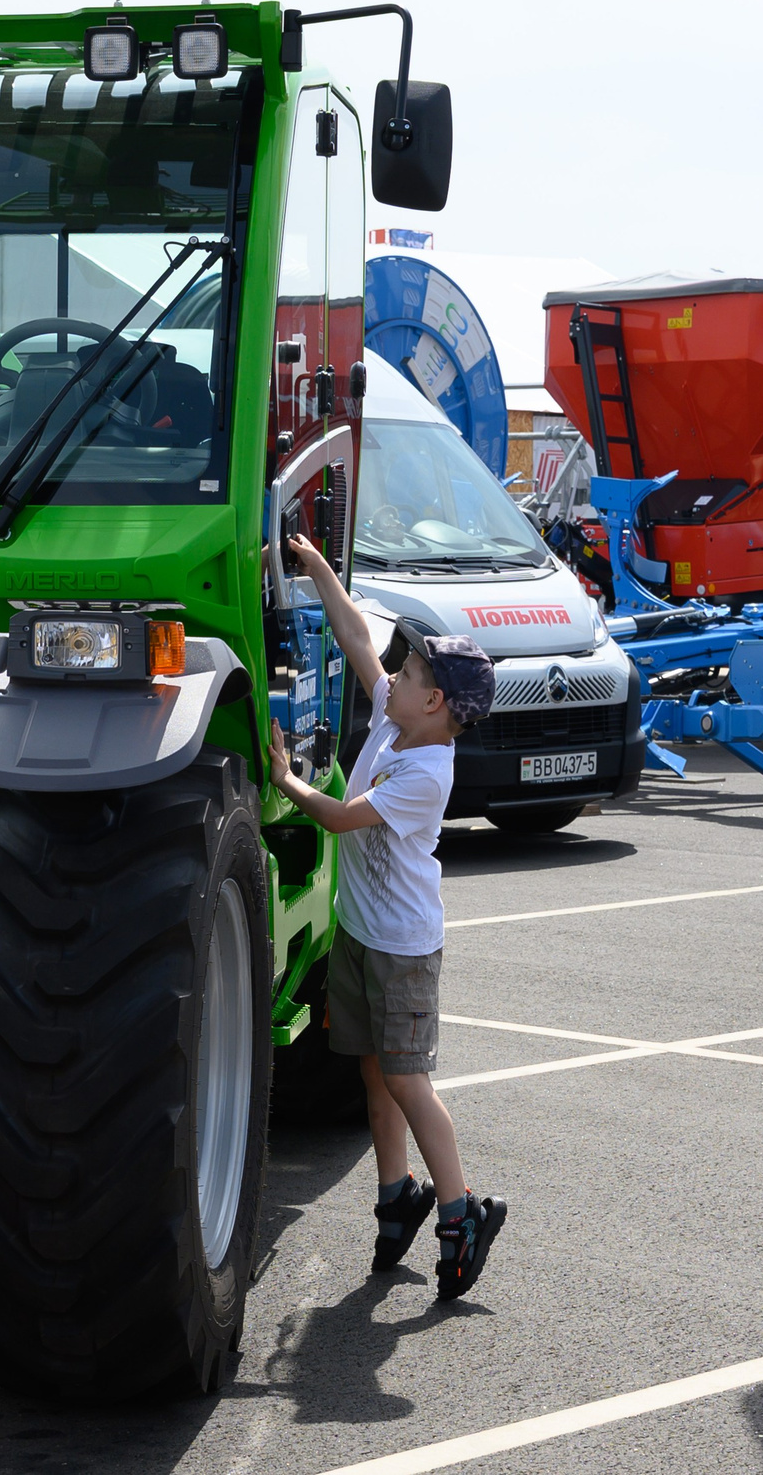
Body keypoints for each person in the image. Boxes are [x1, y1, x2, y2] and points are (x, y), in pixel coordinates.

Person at [265, 531, 506, 1300]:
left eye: (405, 674)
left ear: (434, 699)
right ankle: (395, 1191)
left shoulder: (425, 770)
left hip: (402, 948)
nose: (389, 677)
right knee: (372, 1073)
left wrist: (284, 779)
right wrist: (320, 571)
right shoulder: (395, 721)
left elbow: (337, 818)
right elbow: (356, 636)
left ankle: (460, 1208)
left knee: (406, 1079)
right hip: (364, 936)